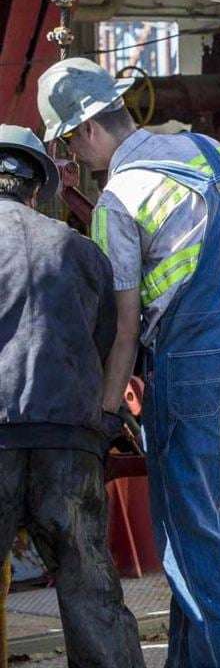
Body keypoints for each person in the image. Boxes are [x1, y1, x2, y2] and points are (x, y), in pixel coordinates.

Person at [37, 57, 220, 667]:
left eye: (69, 143)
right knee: (219, 536)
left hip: (192, 364)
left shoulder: (118, 199)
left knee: (192, 544)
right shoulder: (210, 154)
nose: (76, 159)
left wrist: (106, 414)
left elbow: (125, 331)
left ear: (86, 129)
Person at [0, 124, 144, 667]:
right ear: (38, 188)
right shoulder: (79, 250)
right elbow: (110, 344)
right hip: (69, 441)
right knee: (90, 586)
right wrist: (103, 424)